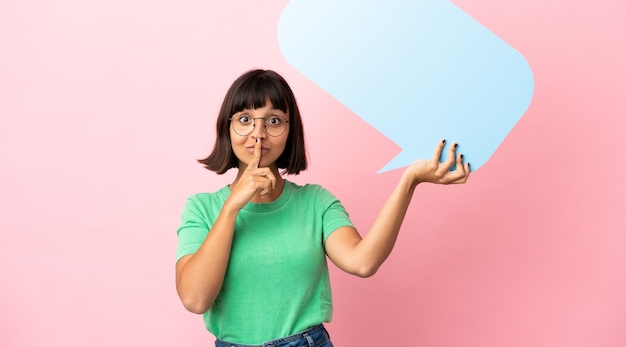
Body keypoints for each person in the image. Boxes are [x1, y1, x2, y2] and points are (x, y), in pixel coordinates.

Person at [175, 69, 470, 347]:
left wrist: (410, 180)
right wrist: (231, 208)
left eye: (274, 120)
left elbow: (362, 262)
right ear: (227, 127)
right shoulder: (202, 208)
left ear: (291, 132)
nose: (259, 133)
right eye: (244, 119)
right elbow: (195, 299)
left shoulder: (315, 202)